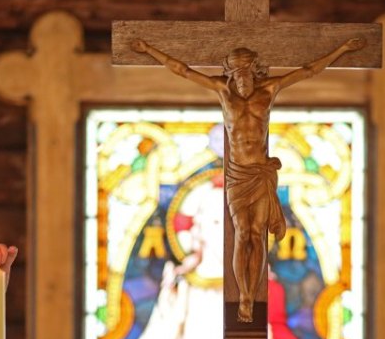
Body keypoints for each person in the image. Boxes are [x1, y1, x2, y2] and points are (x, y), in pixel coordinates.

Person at [131, 36, 364, 323]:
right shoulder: (223, 92)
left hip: (261, 175)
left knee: (258, 235)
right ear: (230, 74)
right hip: (238, 177)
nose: (242, 81)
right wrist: (149, 50)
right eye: (237, 75)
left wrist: (341, 49)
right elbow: (183, 70)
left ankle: (253, 293)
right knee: (242, 234)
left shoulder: (269, 90)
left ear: (256, 71)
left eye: (247, 74)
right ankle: (244, 295)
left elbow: (307, 71)